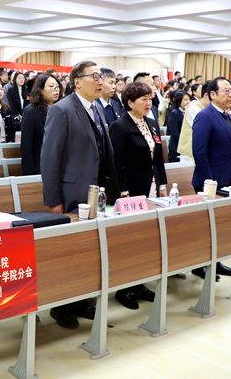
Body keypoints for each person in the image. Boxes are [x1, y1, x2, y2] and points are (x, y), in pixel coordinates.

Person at [41, 60, 118, 329]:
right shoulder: (62, 110)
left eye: (101, 76)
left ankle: (82, 299)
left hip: (96, 193)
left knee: (90, 250)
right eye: (94, 76)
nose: (100, 81)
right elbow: (50, 158)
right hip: (71, 194)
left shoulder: (96, 108)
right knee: (68, 253)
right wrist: (54, 200)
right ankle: (62, 306)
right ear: (76, 81)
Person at [109, 82, 168, 310]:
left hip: (151, 187)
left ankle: (140, 282)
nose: (148, 103)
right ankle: (125, 288)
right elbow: (117, 163)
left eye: (150, 99)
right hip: (131, 192)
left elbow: (158, 159)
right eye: (143, 99)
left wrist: (162, 184)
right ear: (130, 102)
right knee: (130, 240)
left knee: (148, 238)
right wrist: (123, 192)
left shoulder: (151, 124)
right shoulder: (120, 126)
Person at [191, 77, 231, 280]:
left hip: (225, 181)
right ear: (212, 94)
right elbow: (199, 152)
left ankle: (215, 262)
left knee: (218, 226)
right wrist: (210, 182)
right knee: (204, 228)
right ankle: (198, 265)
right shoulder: (205, 116)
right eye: (226, 91)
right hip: (208, 183)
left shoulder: (227, 117)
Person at [20, 73, 60, 175]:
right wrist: (29, 175)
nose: (56, 89)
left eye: (57, 87)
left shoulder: (61, 110)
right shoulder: (31, 111)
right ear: (40, 90)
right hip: (40, 167)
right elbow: (27, 145)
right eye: (51, 86)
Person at [178, 82, 208, 162]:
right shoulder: (193, 108)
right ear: (206, 95)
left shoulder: (204, 108)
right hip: (190, 155)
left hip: (200, 153)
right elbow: (203, 130)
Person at [166, 90, 189, 162]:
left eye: (189, 99)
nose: (188, 102)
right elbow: (174, 133)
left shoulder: (188, 112)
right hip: (176, 148)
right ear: (179, 101)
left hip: (186, 148)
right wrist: (185, 143)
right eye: (185, 100)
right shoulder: (174, 113)